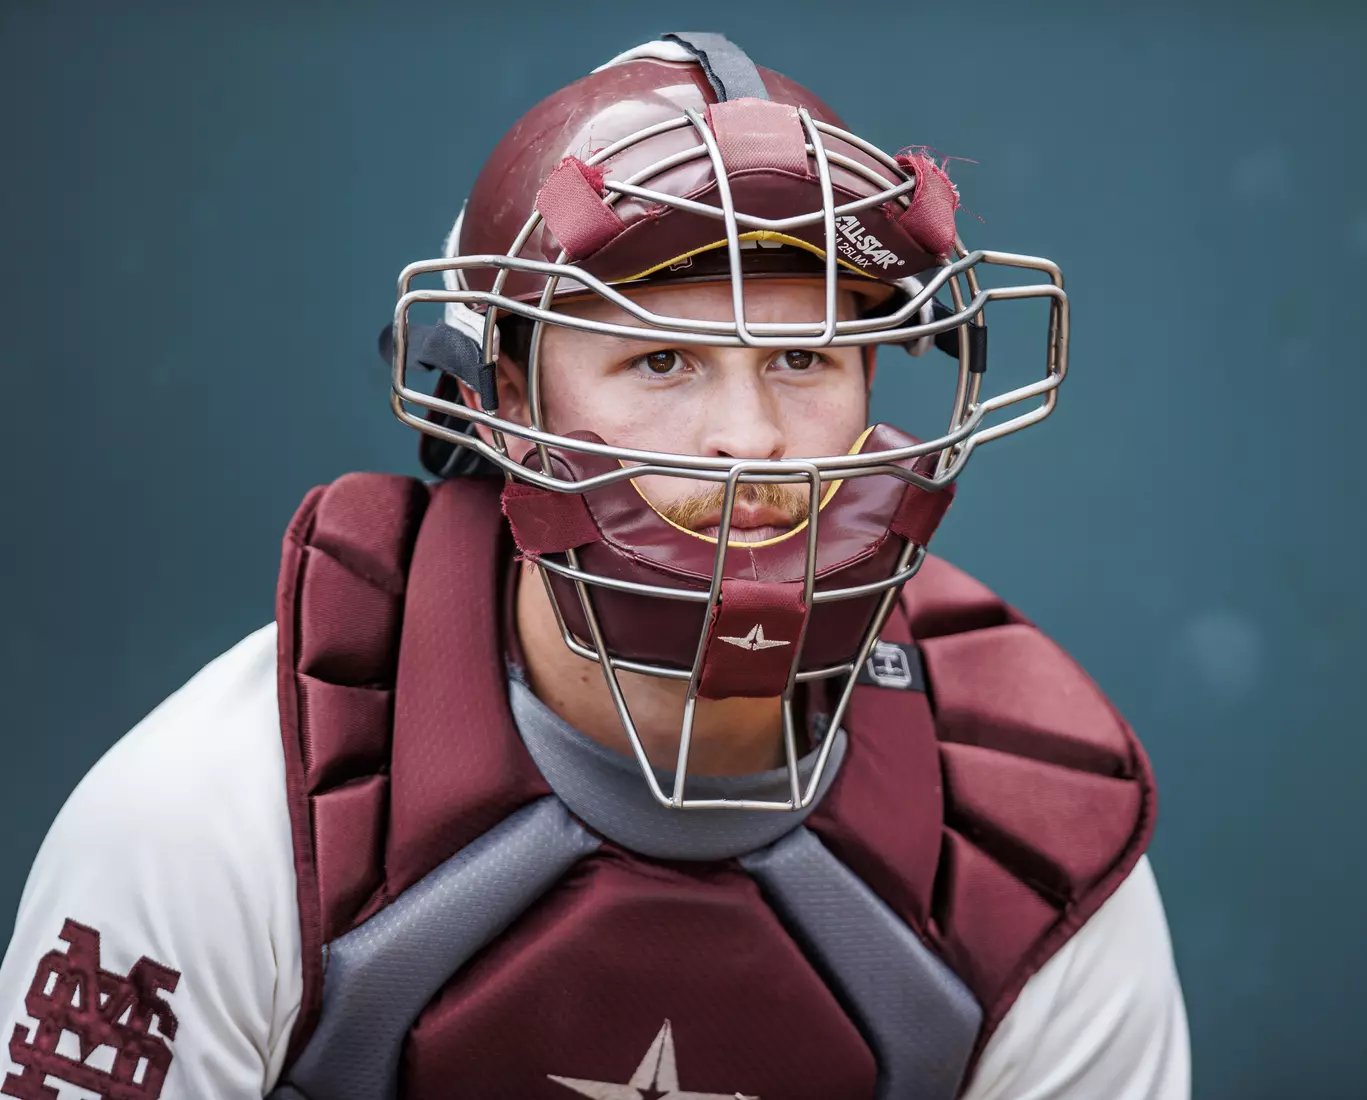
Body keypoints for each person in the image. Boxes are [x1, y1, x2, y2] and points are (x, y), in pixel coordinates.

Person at [0, 33, 1190, 1100]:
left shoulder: (1031, 860)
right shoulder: (224, 818)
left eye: (805, 358)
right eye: (663, 360)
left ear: (875, 391)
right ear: (503, 399)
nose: (751, 442)